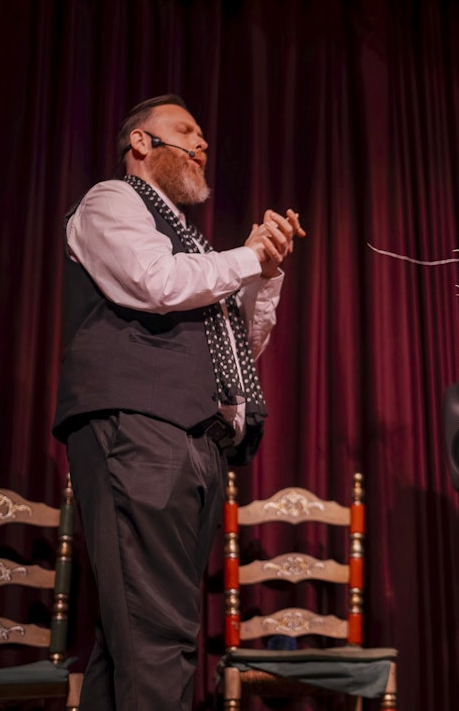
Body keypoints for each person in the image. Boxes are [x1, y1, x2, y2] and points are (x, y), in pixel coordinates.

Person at [53, 94, 304, 711]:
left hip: (197, 440)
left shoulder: (192, 244)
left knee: (132, 640)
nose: (201, 143)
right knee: (157, 638)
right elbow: (155, 284)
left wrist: (263, 271)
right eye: (185, 131)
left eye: (202, 136)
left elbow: (235, 344)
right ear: (142, 143)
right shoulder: (112, 200)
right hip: (138, 428)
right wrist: (244, 256)